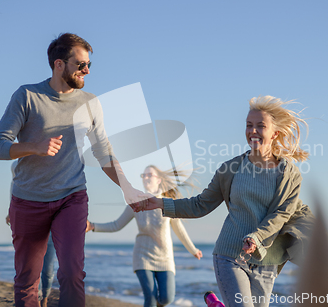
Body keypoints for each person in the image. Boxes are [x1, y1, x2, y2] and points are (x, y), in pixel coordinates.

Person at [0, 33, 147, 307]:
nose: (87, 70)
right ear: (59, 64)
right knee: (27, 278)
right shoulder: (27, 96)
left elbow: (104, 152)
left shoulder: (91, 102)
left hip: (71, 197)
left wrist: (128, 188)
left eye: (89, 64)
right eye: (81, 64)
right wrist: (33, 146)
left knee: (72, 272)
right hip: (28, 199)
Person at [132, 96, 315, 307]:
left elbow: (281, 214)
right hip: (230, 255)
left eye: (260, 126)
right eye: (248, 125)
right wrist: (161, 202)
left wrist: (256, 237)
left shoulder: (289, 173)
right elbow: (201, 204)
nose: (252, 131)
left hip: (267, 260)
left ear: (275, 133)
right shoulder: (230, 169)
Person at [87, 165, 203, 307]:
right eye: (144, 175)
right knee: (150, 298)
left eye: (149, 175)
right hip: (142, 257)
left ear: (159, 180)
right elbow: (116, 225)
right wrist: (93, 226)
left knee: (167, 298)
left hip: (165, 259)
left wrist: (193, 250)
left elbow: (180, 230)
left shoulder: (167, 203)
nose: (145, 178)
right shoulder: (136, 203)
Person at [5, 161, 56, 307]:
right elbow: (14, 185)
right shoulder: (16, 164)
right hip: (28, 217)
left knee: (48, 267)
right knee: (30, 265)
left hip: (51, 216)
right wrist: (11, 209)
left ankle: (44, 299)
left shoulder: (50, 159)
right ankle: (33, 300)